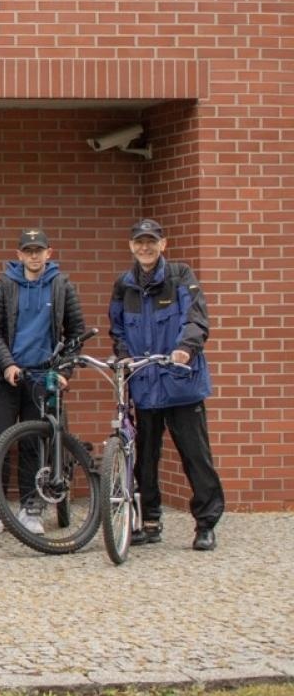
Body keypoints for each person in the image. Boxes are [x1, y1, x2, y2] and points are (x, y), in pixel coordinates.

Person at [108, 218, 224, 551]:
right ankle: (150, 521)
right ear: (132, 246)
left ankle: (206, 523)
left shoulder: (180, 276)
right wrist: (124, 355)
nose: (145, 247)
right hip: (144, 384)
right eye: (139, 242)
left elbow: (196, 318)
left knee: (195, 456)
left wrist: (185, 349)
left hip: (180, 383)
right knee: (144, 457)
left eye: (151, 241)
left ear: (163, 244)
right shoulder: (124, 285)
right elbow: (117, 329)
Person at [0, 229, 86, 536]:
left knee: (32, 443)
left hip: (43, 378)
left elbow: (76, 334)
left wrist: (65, 370)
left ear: (48, 252)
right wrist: (7, 364)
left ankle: (31, 508)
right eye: (27, 250)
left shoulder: (61, 285)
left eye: (38, 250)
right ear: (19, 254)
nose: (33, 255)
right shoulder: (5, 284)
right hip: (7, 377)